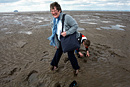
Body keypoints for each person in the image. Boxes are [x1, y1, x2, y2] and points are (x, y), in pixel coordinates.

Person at [48, 2, 80, 76]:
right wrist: (56, 43)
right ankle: (54, 65)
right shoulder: (53, 22)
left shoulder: (66, 17)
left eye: (55, 10)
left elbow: (75, 26)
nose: (53, 12)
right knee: (58, 52)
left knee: (70, 54)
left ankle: (76, 68)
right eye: (52, 11)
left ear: (59, 10)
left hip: (68, 40)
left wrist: (67, 32)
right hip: (60, 40)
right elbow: (55, 34)